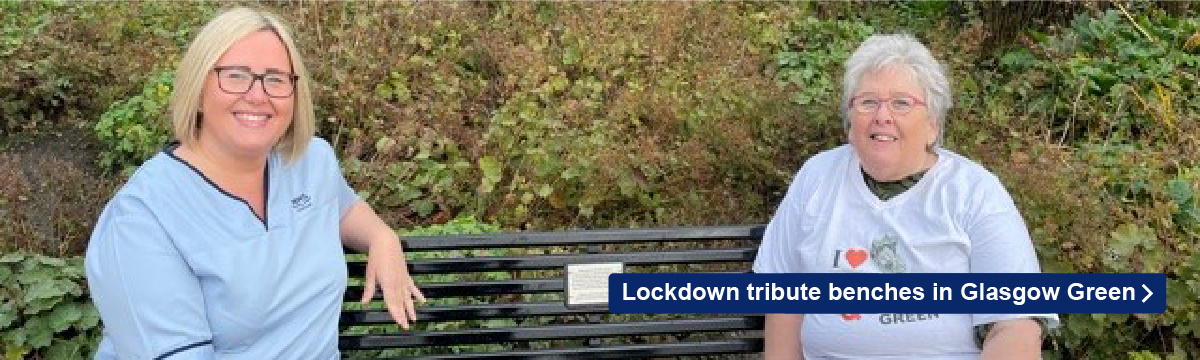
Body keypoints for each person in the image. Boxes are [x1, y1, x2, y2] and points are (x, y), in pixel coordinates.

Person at [84, 7, 424, 359]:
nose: (258, 95)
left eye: (276, 78)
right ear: (198, 89)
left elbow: (343, 208)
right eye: (235, 75)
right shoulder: (140, 219)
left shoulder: (311, 162)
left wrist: (382, 238)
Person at [752, 33, 1058, 359]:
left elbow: (1016, 329)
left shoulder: (974, 192)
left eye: (901, 103)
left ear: (933, 125)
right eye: (868, 102)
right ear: (849, 123)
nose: (882, 115)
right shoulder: (817, 177)